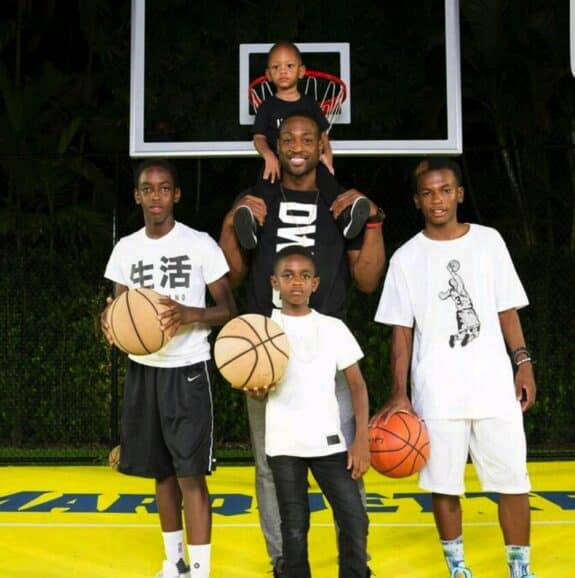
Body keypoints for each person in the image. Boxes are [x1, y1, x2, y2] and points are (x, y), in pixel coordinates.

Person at [219, 111, 386, 577]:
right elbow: (229, 275)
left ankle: (355, 566)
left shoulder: (341, 199)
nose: (296, 146)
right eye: (287, 138)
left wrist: (371, 219)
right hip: (266, 353)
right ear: (275, 144)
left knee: (348, 464)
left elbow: (369, 280)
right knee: (272, 471)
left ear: (320, 146)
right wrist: (234, 223)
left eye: (307, 138)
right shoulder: (257, 197)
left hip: (325, 348)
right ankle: (285, 565)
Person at [373, 157, 537, 578]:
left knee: (514, 481)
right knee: (445, 486)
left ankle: (520, 569)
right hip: (437, 389)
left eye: (445, 190)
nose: (437, 200)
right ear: (417, 201)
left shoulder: (489, 242)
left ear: (459, 194)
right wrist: (399, 392)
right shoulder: (407, 258)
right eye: (428, 193)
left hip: (494, 385)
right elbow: (401, 333)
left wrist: (523, 363)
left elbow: (506, 310)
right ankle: (458, 568)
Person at [100, 158, 236, 578]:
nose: (155, 196)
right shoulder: (126, 248)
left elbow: (228, 310)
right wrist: (109, 325)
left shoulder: (200, 245)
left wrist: (187, 314)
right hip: (144, 369)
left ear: (175, 195)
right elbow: (117, 309)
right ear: (137, 195)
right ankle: (174, 562)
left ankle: (200, 569)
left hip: (187, 369)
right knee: (162, 472)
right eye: (147, 188)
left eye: (163, 188)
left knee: (191, 474)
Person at [265, 245, 370, 578]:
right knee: (294, 527)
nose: (296, 282)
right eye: (288, 275)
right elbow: (254, 386)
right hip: (284, 444)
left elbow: (358, 385)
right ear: (274, 282)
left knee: (354, 516)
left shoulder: (333, 327)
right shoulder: (261, 330)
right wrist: (252, 389)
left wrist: (361, 441)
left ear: (316, 284)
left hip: (329, 442)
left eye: (304, 276)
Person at [235, 41, 370, 249]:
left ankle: (345, 218)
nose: (283, 71)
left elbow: (323, 133)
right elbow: (259, 137)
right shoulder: (267, 106)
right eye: (276, 67)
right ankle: (252, 225)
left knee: (329, 184)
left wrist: (327, 155)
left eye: (289, 66)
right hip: (278, 160)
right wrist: (268, 156)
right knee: (263, 191)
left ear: (301, 71)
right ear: (268, 75)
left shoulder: (309, 103)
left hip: (308, 161)